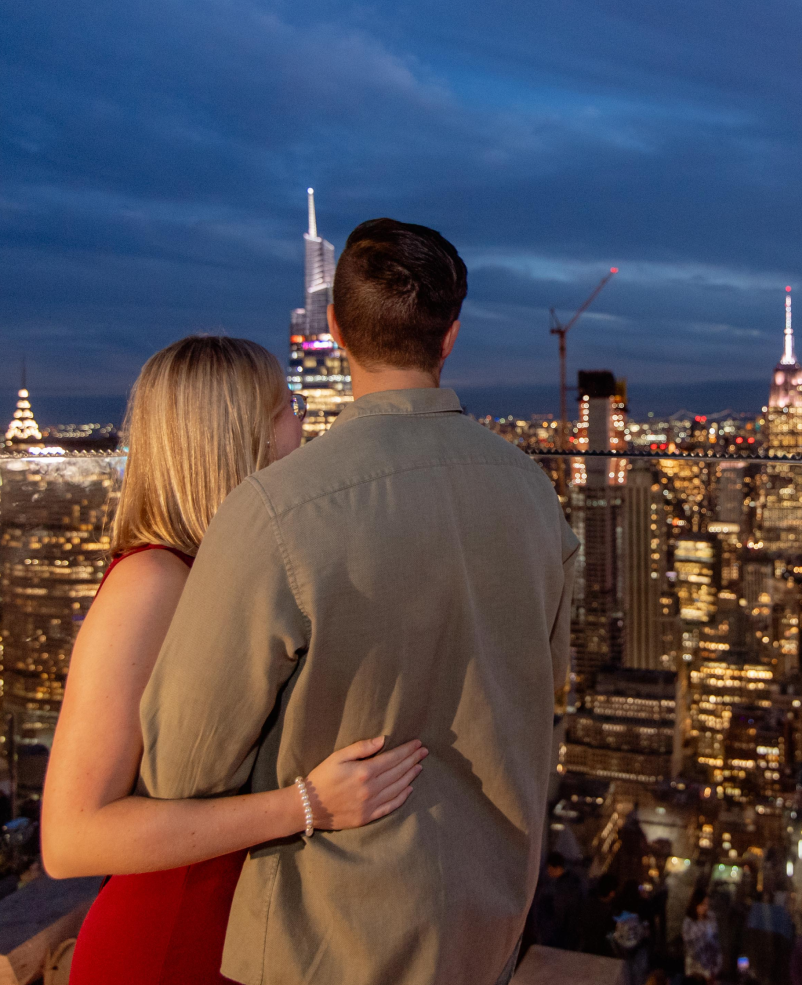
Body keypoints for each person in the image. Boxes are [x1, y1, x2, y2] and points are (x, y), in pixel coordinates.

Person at [138, 220, 579, 985]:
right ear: (450, 339)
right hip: (486, 930)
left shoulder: (277, 510)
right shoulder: (533, 494)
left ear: (335, 331)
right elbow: (550, 681)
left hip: (326, 938)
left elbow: (181, 765)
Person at [42, 335, 427, 985]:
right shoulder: (154, 582)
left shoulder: (230, 571)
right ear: (236, 436)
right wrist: (307, 806)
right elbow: (71, 838)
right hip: (169, 945)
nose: (302, 422)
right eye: (285, 407)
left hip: (244, 936)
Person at [683, 896, 723, 980]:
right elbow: (691, 947)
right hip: (694, 969)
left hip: (709, 969)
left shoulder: (711, 921)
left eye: (707, 904)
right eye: (703, 904)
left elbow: (715, 943)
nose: (706, 907)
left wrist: (716, 964)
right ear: (696, 905)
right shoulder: (688, 923)